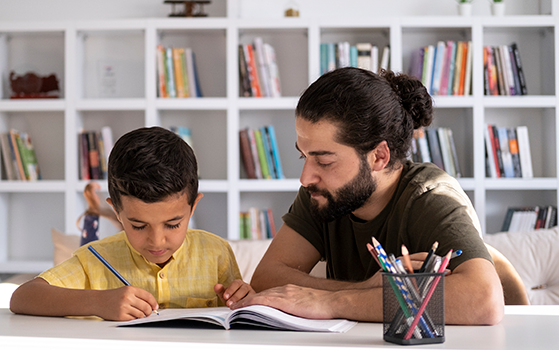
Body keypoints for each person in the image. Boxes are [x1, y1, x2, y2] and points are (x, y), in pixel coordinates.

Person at [232, 67, 504, 325]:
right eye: (303, 156)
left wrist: (331, 302)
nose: (306, 178)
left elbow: (484, 299)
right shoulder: (323, 192)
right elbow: (268, 277)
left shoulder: (431, 196)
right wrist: (366, 289)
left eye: (324, 161)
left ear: (379, 157)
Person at [10, 126, 254, 321]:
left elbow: (238, 315)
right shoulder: (94, 259)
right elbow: (23, 297)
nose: (157, 240)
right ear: (116, 211)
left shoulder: (216, 252)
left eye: (172, 224)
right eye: (138, 225)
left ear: (193, 207)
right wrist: (98, 302)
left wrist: (246, 299)